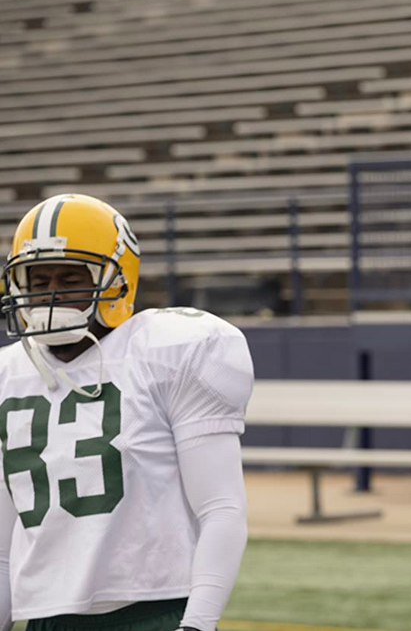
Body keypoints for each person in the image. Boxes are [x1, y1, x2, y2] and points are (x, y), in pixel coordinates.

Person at [0, 193, 252, 631]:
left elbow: (221, 508)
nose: (51, 295)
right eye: (38, 281)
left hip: (154, 613)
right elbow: (3, 547)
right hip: (47, 618)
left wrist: (197, 624)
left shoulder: (168, 351)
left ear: (117, 281)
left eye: (70, 278)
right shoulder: (8, 374)